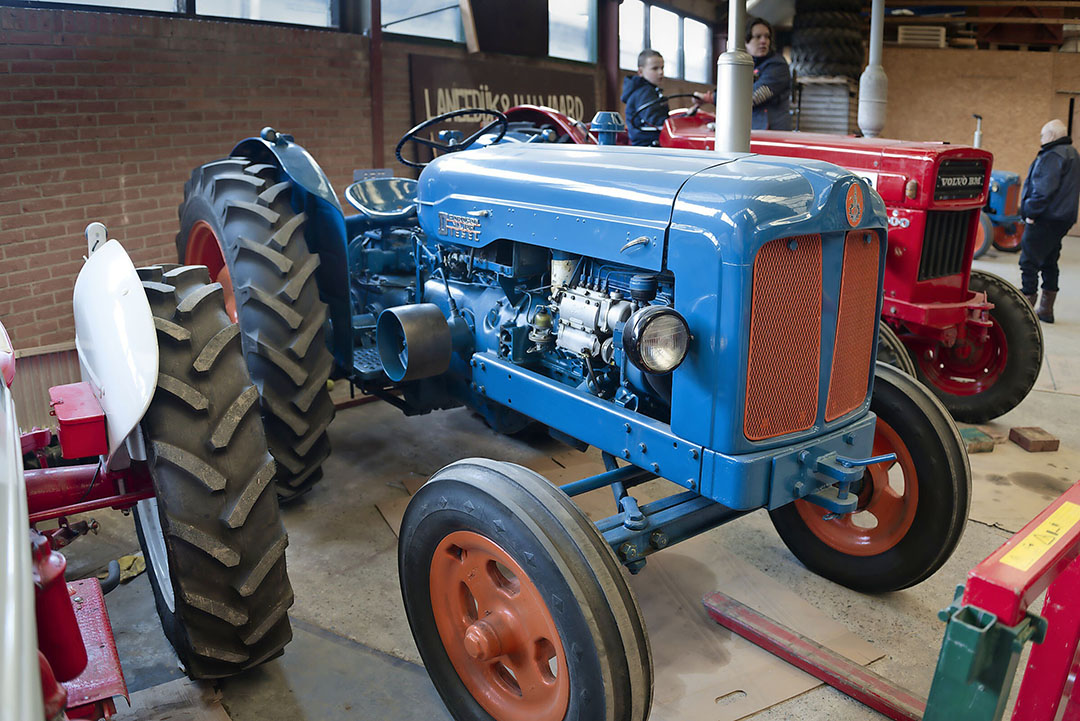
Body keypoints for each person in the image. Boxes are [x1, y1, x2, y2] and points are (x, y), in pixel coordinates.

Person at [1020, 118, 1080, 324]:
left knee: (1028, 261)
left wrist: (1029, 211)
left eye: (1042, 135)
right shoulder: (1072, 153)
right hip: (1063, 218)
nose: (1041, 139)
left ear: (1052, 136)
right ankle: (1046, 310)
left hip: (1045, 217)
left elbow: (1043, 190)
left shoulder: (1053, 154)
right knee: (1049, 260)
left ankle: (1025, 310)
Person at [693, 17, 792, 131]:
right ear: (745, 41)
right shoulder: (746, 65)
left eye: (767, 36)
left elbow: (753, 97)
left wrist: (711, 98)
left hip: (772, 133)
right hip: (750, 129)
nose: (764, 41)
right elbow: (732, 89)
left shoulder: (777, 66)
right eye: (758, 37)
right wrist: (713, 96)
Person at [622, 49, 669, 146]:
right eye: (655, 68)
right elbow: (656, 121)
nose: (661, 72)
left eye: (662, 68)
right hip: (649, 147)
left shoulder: (649, 91)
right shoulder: (644, 92)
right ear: (640, 71)